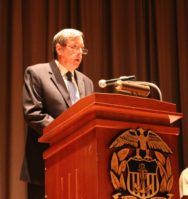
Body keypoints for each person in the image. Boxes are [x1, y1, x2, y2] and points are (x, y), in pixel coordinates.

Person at [20, 28, 94, 199]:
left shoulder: (86, 82)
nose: (79, 53)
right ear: (59, 49)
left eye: (82, 48)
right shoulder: (37, 73)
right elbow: (33, 113)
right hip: (46, 162)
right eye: (74, 47)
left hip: (80, 164)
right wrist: (66, 135)